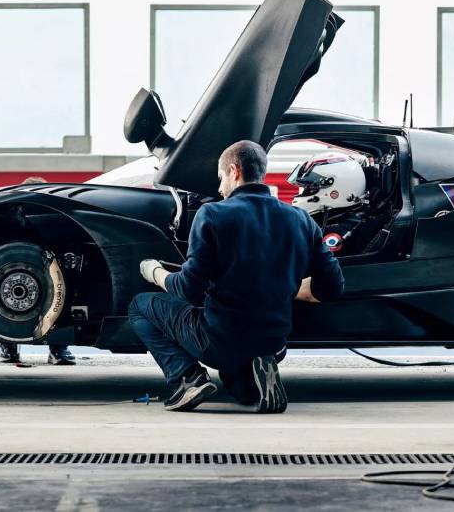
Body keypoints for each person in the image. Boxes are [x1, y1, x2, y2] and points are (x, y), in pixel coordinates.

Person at [129, 140, 345, 413]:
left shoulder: (213, 214)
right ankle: (258, 374)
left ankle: (187, 378)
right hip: (274, 342)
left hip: (220, 340)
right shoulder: (301, 219)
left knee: (140, 305)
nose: (220, 188)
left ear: (234, 171)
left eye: (221, 178)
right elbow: (333, 287)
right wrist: (285, 286)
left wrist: (156, 273)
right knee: (240, 391)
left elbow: (187, 290)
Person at [0, 175, 77, 366]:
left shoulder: (40, 216)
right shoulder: (18, 216)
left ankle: (11, 348)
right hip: (26, 268)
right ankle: (57, 350)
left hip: (37, 269)